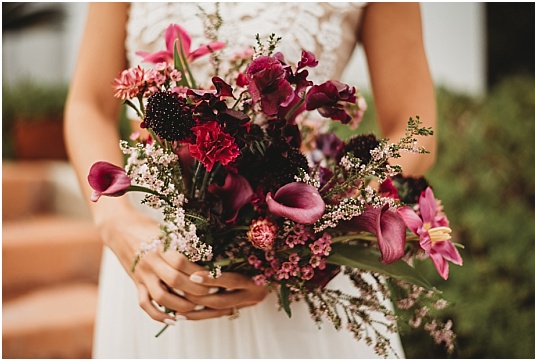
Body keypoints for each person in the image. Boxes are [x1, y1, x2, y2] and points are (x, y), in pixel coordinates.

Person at [64, 2, 436, 358]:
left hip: (298, 247)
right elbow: (88, 104)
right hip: (155, 253)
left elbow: (416, 126)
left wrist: (325, 225)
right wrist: (117, 222)